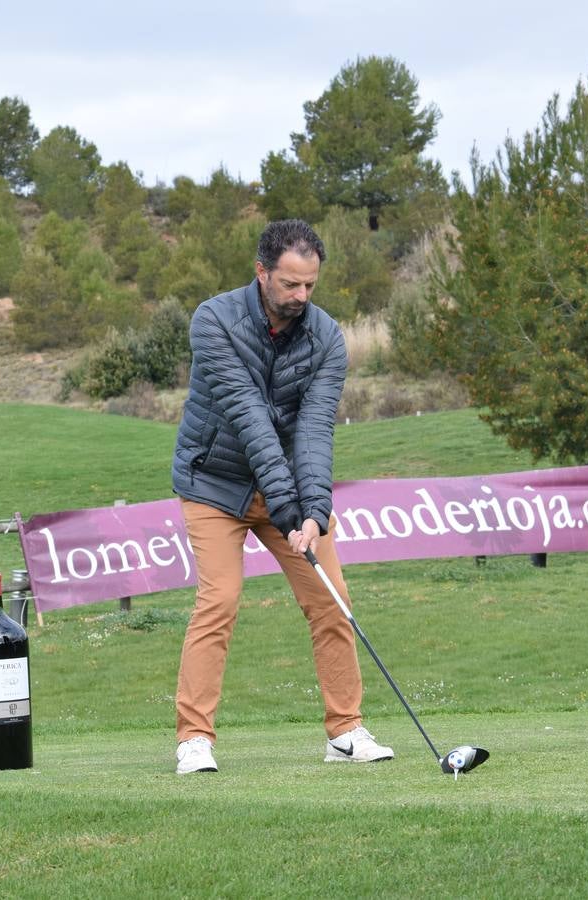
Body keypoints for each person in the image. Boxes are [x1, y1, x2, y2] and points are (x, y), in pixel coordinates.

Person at [169, 219, 393, 774]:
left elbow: (315, 429)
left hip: (287, 491)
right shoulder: (213, 320)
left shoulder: (326, 337)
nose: (301, 297)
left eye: (310, 286)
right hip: (213, 484)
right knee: (219, 600)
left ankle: (345, 730)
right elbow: (249, 417)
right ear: (261, 272)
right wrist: (292, 508)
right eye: (290, 284)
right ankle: (194, 738)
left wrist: (313, 512)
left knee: (332, 599)